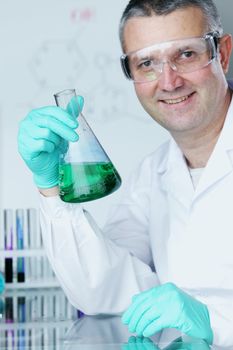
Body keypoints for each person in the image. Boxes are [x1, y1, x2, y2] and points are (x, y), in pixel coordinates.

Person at [17, 0, 233, 347]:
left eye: (187, 55)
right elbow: (101, 292)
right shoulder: (153, 173)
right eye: (146, 63)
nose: (169, 81)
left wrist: (215, 320)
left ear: (221, 53)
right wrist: (51, 186)